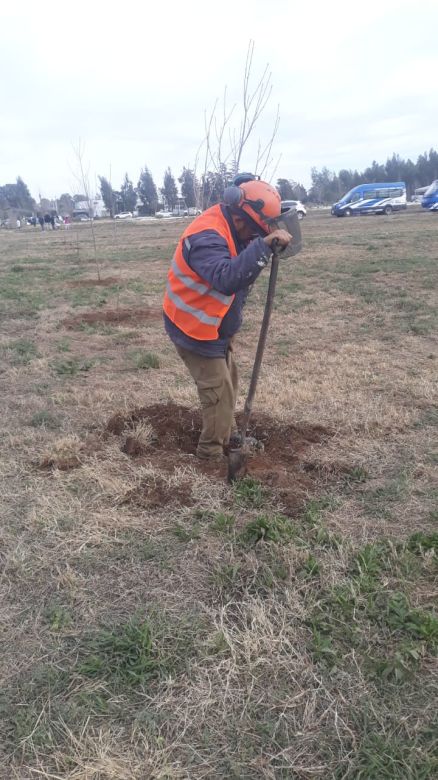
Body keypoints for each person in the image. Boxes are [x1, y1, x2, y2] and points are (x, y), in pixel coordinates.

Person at [163, 175, 292, 462]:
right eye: (257, 231)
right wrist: (262, 247)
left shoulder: (236, 225)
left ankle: (227, 434)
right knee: (218, 393)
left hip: (214, 325)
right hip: (193, 328)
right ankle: (210, 455)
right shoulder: (207, 236)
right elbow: (226, 278)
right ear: (243, 219)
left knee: (229, 381)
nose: (257, 237)